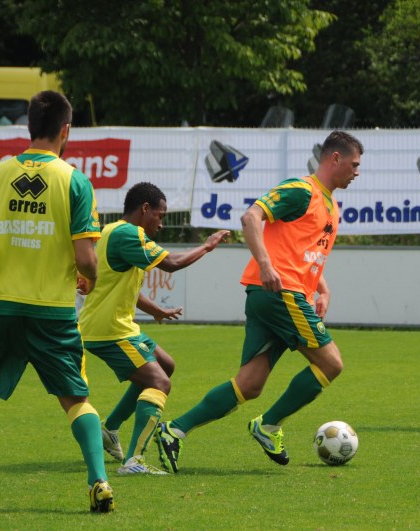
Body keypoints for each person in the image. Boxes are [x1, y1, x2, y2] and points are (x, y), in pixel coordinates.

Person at [0, 90, 115, 513]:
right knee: (76, 398)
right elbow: (86, 258)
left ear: (29, 127)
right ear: (66, 130)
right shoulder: (74, 180)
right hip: (52, 312)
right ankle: (100, 482)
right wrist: (88, 279)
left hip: (1, 308)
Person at [155, 130, 363, 472]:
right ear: (334, 158)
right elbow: (251, 217)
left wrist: (322, 289)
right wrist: (266, 265)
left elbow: (302, 252)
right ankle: (268, 426)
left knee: (248, 385)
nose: (357, 172)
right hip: (281, 293)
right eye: (354, 164)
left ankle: (173, 431)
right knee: (331, 364)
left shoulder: (329, 203)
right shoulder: (301, 190)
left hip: (273, 294)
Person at [79, 182, 229, 475]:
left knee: (165, 365)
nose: (161, 223)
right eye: (159, 216)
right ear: (145, 209)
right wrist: (207, 246)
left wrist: (156, 310)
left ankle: (110, 429)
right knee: (159, 383)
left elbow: (117, 286)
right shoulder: (128, 234)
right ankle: (133, 461)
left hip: (119, 326)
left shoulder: (112, 231)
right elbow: (172, 263)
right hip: (109, 331)